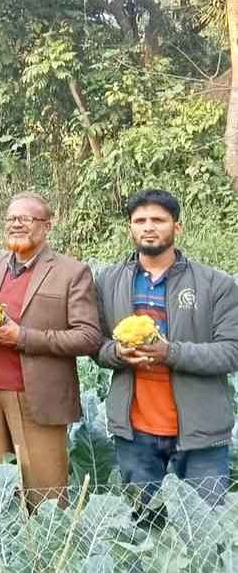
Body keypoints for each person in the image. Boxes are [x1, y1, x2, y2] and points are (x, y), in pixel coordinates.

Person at [96, 189, 238, 507]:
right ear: (130, 228)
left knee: (204, 527)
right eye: (140, 221)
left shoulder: (216, 284)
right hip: (135, 433)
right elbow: (96, 345)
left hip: (201, 434)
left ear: (177, 227)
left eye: (158, 220)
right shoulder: (108, 281)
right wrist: (116, 353)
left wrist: (170, 353)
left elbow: (232, 351)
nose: (148, 227)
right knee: (140, 526)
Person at [0, 193, 101, 508]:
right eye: (11, 218)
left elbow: (88, 337)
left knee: (46, 498)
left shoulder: (72, 271)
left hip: (38, 397)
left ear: (47, 225)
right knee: (6, 493)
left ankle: (49, 542)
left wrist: (22, 337)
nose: (16, 224)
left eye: (26, 218)